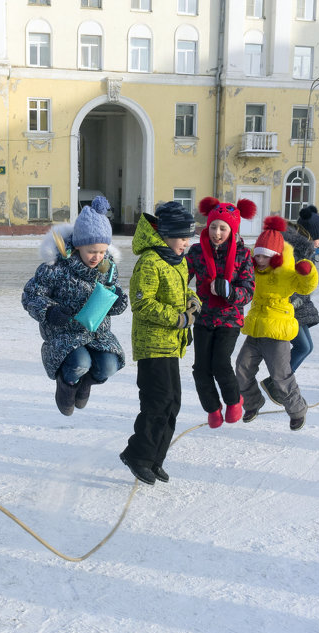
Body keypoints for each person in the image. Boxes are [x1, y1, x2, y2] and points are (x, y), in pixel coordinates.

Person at [21, 195, 128, 415]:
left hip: (98, 333)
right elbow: (31, 294)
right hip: (65, 333)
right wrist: (50, 311)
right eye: (91, 251)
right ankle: (66, 386)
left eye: (101, 251)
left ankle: (85, 384)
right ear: (78, 246)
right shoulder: (56, 267)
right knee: (80, 363)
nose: (96, 257)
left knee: (109, 366)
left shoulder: (108, 268)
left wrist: (118, 299)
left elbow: (115, 304)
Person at [119, 201, 199, 486]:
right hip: (153, 344)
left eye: (189, 237)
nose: (186, 243)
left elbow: (184, 290)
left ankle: (155, 458)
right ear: (165, 235)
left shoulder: (175, 261)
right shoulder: (151, 261)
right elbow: (142, 304)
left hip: (171, 344)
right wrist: (178, 318)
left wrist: (193, 301)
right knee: (157, 402)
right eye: (181, 237)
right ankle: (137, 455)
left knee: (172, 403)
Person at [235, 216, 318, 429]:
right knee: (242, 368)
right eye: (258, 255)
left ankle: (297, 410)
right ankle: (253, 402)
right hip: (255, 329)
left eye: (265, 256)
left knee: (281, 376)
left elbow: (306, 286)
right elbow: (239, 270)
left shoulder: (287, 270)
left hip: (277, 331)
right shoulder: (254, 268)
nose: (260, 260)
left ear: (276, 255)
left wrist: (307, 270)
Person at [184, 197, 256, 427]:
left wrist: (232, 293)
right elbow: (180, 277)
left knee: (220, 363)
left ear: (232, 230)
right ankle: (213, 408)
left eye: (223, 228)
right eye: (213, 226)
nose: (217, 232)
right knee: (200, 368)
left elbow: (249, 290)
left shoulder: (243, 255)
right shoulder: (196, 251)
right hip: (203, 317)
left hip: (230, 319)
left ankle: (234, 401)